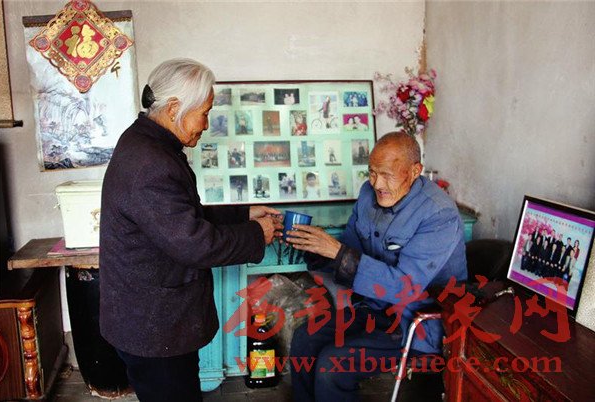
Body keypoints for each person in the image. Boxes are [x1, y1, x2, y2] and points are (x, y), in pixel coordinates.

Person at [99, 58, 283, 402]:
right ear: (173, 109)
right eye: (204, 113)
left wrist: (243, 213)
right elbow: (194, 243)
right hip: (154, 327)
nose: (206, 124)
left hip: (152, 321)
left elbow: (178, 215)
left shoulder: (145, 142)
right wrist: (257, 234)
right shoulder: (150, 163)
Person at [286, 131, 467, 401]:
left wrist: (336, 251)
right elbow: (350, 248)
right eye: (372, 173)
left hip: (414, 323)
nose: (377, 183)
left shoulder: (439, 215)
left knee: (332, 365)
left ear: (415, 171)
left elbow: (404, 288)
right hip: (374, 309)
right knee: (305, 339)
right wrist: (315, 247)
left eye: (387, 175)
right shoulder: (368, 194)